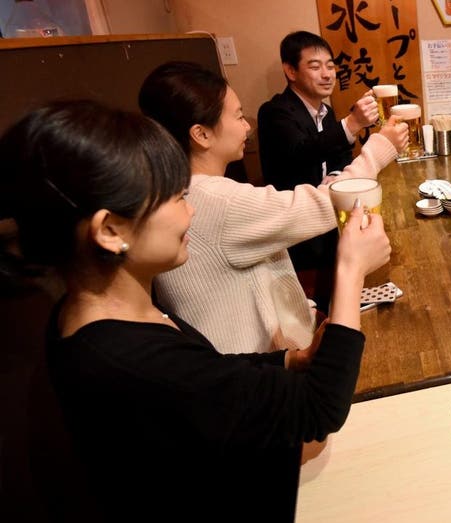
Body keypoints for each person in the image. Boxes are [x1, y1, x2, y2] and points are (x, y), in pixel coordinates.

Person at [0, 100, 391, 522]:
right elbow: (318, 410)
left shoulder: (94, 313)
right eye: (175, 197)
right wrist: (351, 271)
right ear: (110, 231)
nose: (190, 210)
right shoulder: (123, 361)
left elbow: (204, 370)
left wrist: (290, 359)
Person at [139, 61, 406, 355]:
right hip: (258, 374)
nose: (246, 126)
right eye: (239, 116)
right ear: (201, 134)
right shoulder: (214, 200)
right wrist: (380, 149)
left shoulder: (179, 191)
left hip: (262, 358)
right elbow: (321, 205)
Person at [258, 30, 380, 296]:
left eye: (330, 66)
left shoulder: (325, 111)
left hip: (331, 223)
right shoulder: (275, 112)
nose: (327, 74)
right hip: (300, 238)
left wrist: (335, 177)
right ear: (290, 71)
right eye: (315, 66)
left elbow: (340, 154)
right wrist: (352, 123)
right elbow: (300, 151)